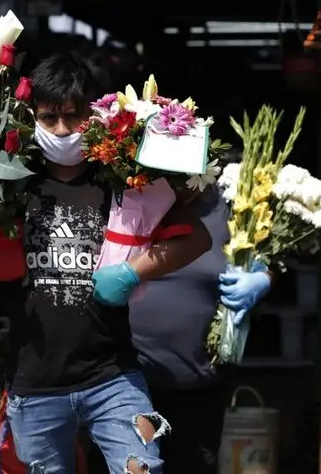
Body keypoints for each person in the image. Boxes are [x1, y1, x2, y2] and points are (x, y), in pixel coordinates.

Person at [0, 52, 213, 474]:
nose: (63, 130)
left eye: (75, 116)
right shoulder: (9, 184)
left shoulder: (125, 182)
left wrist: (133, 271)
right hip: (33, 387)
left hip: (116, 379)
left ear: (97, 113)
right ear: (30, 116)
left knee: (142, 468)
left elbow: (197, 238)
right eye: (49, 118)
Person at [86, 165, 275, 474]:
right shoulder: (131, 199)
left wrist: (263, 280)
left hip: (196, 389)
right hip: (124, 385)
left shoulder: (229, 208)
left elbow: (263, 259)